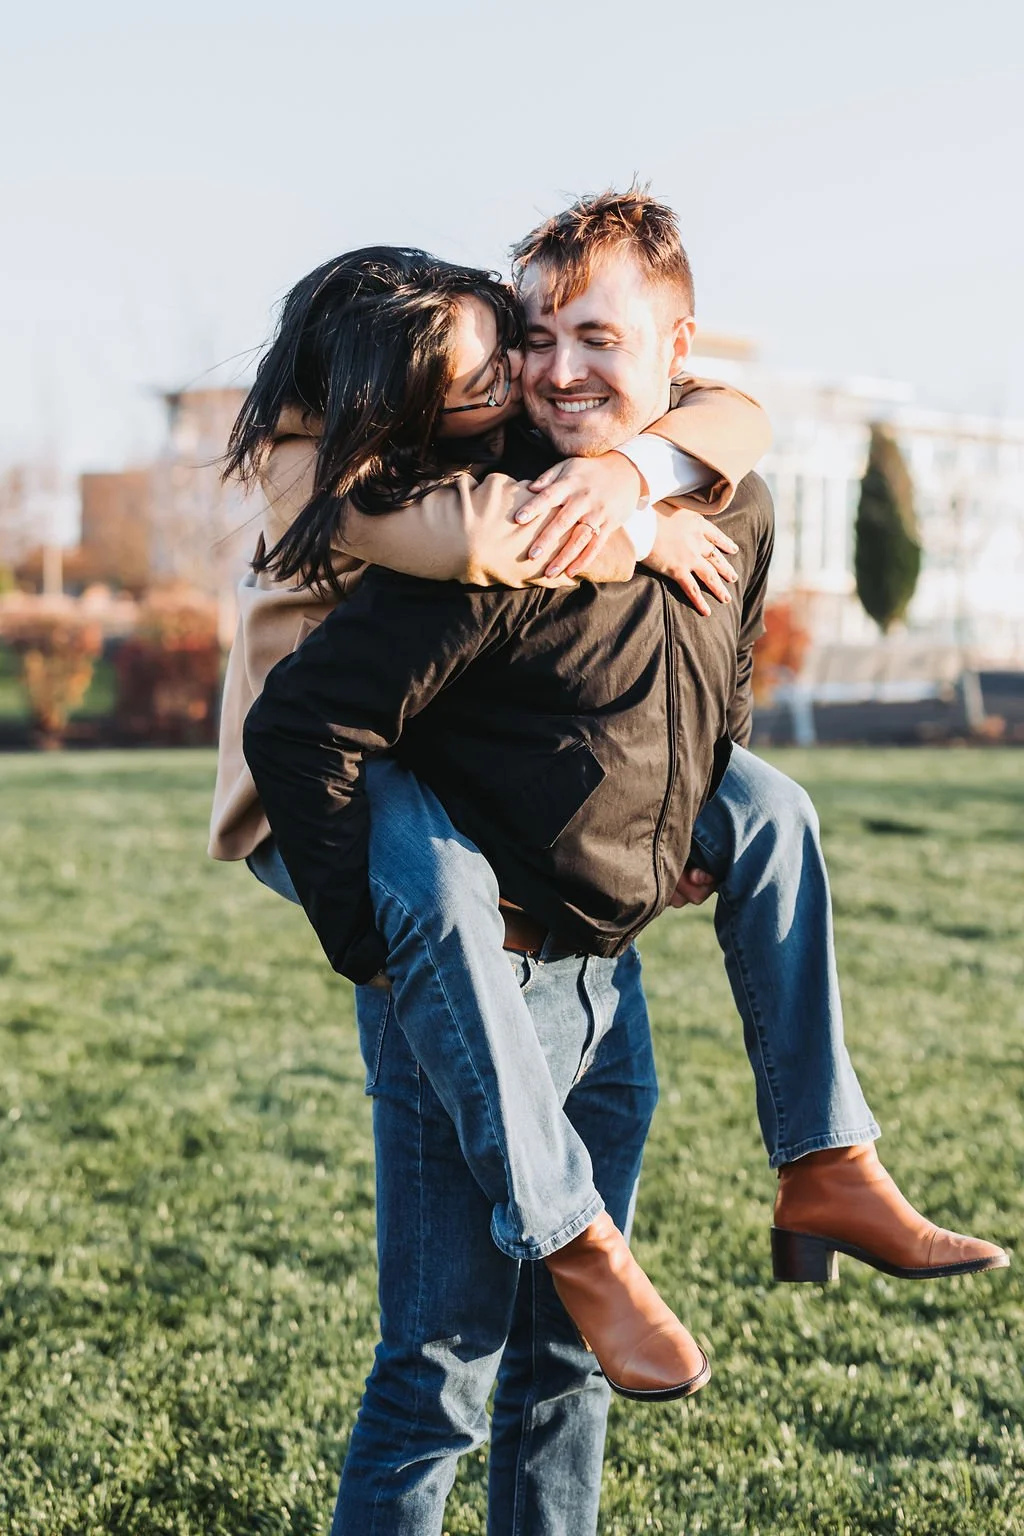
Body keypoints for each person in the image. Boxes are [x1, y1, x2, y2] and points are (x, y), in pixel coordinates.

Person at [240, 191, 1007, 1536]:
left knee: (567, 1373)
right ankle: (583, 1229)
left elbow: (732, 460)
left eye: (579, 340)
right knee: (439, 1375)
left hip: (596, 980)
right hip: (442, 959)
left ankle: (826, 1158)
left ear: (672, 348)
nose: (538, 378)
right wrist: (619, 506)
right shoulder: (452, 511)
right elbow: (342, 686)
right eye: (531, 346)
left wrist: (639, 484)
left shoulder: (669, 472)